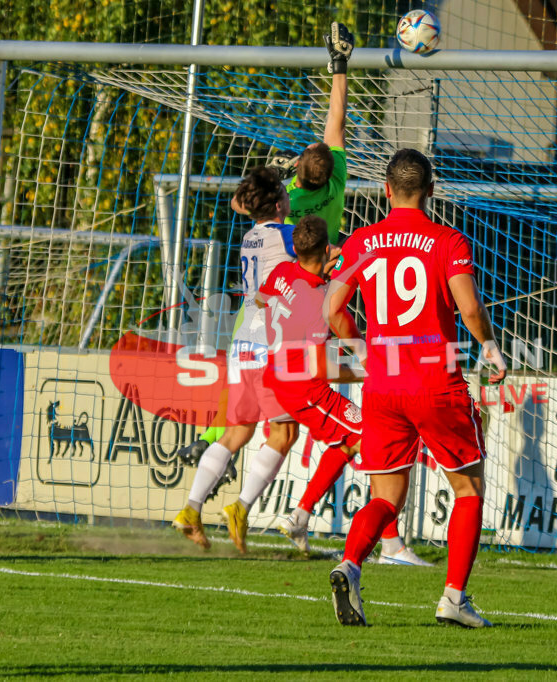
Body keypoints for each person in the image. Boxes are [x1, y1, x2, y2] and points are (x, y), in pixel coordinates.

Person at [324, 149, 507, 628]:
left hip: (383, 387)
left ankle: (350, 564)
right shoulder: (447, 239)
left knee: (385, 497)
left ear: (386, 190)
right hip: (435, 382)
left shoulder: (362, 240)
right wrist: (489, 346)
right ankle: (453, 598)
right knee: (468, 489)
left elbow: (332, 310)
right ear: (431, 189)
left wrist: (361, 349)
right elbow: (468, 309)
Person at [178, 21, 354, 462]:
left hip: (265, 302)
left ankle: (211, 440)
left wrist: (278, 175)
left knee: (241, 380)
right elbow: (337, 122)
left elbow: (241, 205)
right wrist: (339, 67)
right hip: (313, 295)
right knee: (321, 372)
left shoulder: (286, 201)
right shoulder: (337, 182)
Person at [259, 215, 427, 566]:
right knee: (373, 434)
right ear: (325, 249)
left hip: (276, 374)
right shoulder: (319, 301)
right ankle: (392, 545)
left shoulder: (283, 272)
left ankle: (300, 517)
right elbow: (319, 369)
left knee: (350, 440)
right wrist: (368, 371)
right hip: (303, 386)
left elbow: (262, 301)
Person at [172, 166, 300, 551]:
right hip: (272, 345)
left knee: (238, 431)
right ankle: (240, 507)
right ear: (279, 203)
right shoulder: (288, 235)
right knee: (285, 432)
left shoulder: (249, 238)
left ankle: (191, 510)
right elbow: (322, 253)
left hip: (245, 340)